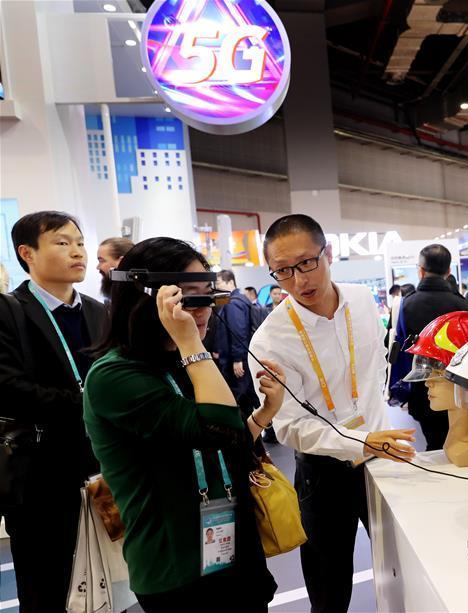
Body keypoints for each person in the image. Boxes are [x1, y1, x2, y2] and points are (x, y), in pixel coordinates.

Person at [83, 237, 282, 612]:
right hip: (176, 568)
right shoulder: (115, 376)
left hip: (234, 552)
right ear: (147, 298)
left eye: (207, 296)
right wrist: (192, 344)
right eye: (188, 297)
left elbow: (227, 442)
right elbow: (215, 428)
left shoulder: (182, 362)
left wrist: (263, 415)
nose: (203, 309)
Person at [249, 214, 416, 613]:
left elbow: (375, 368)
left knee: (406, 570)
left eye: (306, 263)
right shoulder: (269, 340)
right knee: (329, 589)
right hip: (323, 472)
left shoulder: (362, 300)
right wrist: (362, 440)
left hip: (383, 457)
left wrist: (374, 433)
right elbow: (290, 426)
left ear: (327, 253)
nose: (298, 280)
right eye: (283, 271)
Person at [0, 211, 108, 611]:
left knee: (109, 582)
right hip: (39, 477)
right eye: (62, 243)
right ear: (27, 253)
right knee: (46, 586)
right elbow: (9, 389)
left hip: (102, 469)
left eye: (80, 243)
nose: (77, 252)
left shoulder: (97, 311)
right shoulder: (9, 311)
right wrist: (92, 403)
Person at [391, 244, 468, 451]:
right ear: (448, 271)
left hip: (423, 389)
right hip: (458, 389)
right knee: (459, 438)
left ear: (420, 270)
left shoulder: (407, 304)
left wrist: (403, 390)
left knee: (433, 443)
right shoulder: (463, 304)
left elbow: (402, 349)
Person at [214, 269, 257, 411]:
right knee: (248, 397)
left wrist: (238, 359)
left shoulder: (233, 303)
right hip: (242, 357)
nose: (216, 286)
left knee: (237, 397)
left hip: (236, 360)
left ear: (230, 282)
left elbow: (238, 331)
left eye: (219, 282)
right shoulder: (241, 299)